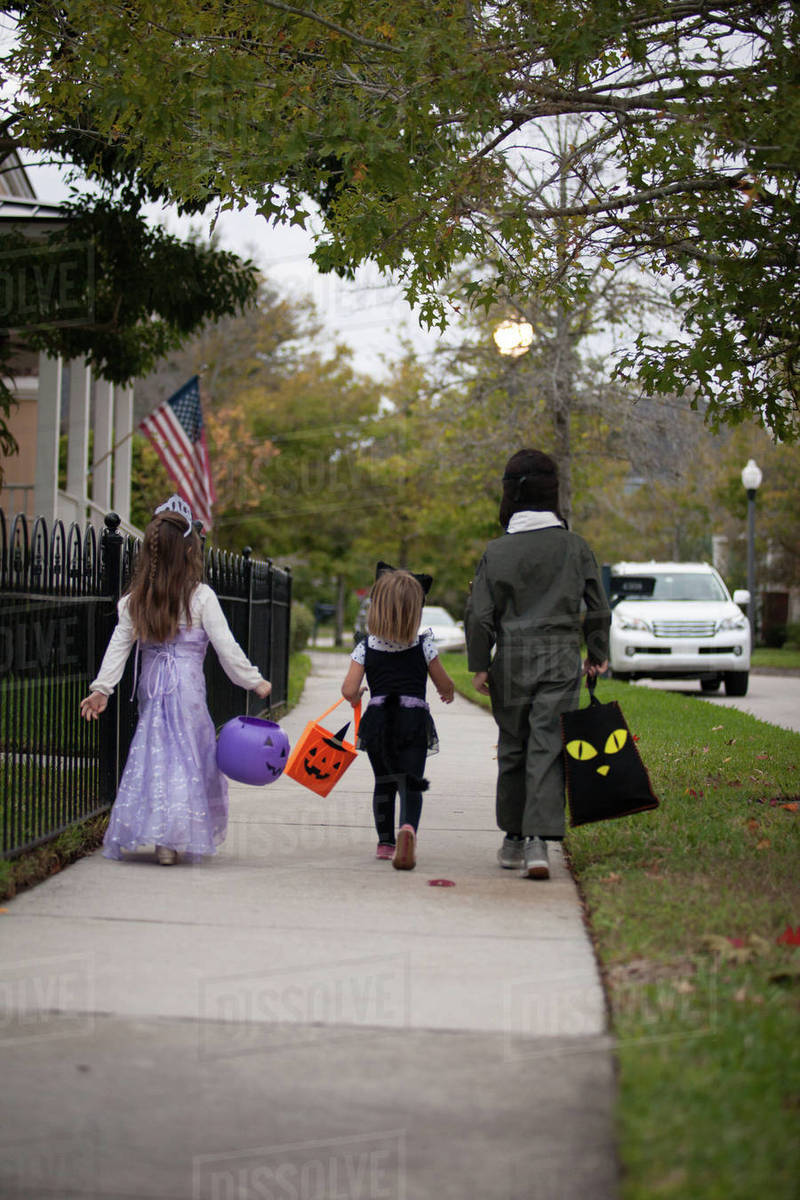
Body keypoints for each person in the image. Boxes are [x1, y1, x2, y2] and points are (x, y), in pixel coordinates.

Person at [80, 496, 272, 865]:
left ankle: (160, 834)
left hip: (152, 686)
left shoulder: (137, 600)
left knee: (155, 755)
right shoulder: (201, 598)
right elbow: (226, 648)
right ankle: (173, 837)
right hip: (186, 689)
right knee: (188, 756)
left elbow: (118, 647)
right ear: (188, 552)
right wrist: (253, 681)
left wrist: (102, 689)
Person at [465, 449, 609, 881]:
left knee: (513, 745)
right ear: (553, 493)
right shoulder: (575, 547)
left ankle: (512, 838)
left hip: (512, 660)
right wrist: (596, 653)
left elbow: (478, 614)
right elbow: (598, 607)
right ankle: (538, 843)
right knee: (547, 745)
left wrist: (479, 663)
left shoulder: (496, 552)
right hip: (561, 658)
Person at [341, 565, 455, 870]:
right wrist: (447, 691)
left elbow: (349, 689)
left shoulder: (365, 646)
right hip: (414, 719)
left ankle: (385, 842)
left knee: (383, 782)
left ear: (377, 608)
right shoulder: (424, 644)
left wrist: (357, 696)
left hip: (379, 721)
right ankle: (408, 830)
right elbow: (443, 682)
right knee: (411, 782)